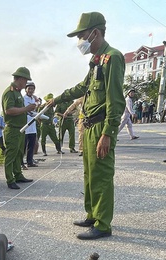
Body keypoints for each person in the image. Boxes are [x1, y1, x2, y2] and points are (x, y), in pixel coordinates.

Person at [47, 12, 125, 240]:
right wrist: (58, 98)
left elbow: (115, 99)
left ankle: (103, 224)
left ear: (95, 33)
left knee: (101, 175)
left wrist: (108, 134)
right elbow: (83, 87)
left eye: (82, 36)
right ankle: (92, 214)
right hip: (89, 126)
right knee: (90, 174)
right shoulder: (96, 60)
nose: (80, 42)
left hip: (101, 127)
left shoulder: (113, 58)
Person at [2, 67, 36, 189]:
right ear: (20, 79)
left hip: (20, 129)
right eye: (25, 81)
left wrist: (30, 112)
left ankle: (18, 175)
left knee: (19, 153)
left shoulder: (17, 93)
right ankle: (10, 179)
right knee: (11, 154)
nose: (26, 83)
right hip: (12, 129)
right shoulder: (10, 92)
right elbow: (9, 110)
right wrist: (26, 109)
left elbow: (19, 110)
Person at [22, 80, 39, 168]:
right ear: (26, 89)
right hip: (26, 124)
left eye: (32, 89)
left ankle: (30, 161)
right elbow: (27, 110)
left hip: (32, 125)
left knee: (31, 145)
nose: (31, 90)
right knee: (23, 145)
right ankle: (21, 163)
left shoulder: (33, 99)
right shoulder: (23, 99)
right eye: (29, 88)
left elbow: (35, 109)